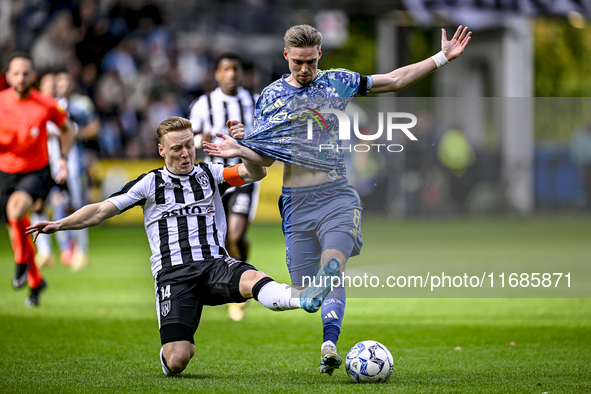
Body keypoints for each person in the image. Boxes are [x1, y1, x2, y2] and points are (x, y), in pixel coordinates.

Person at [204, 24, 472, 376]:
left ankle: (329, 345)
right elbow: (265, 161)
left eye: (311, 62)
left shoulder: (337, 81)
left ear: (320, 56)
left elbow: (392, 80)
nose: (304, 69)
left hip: (336, 195)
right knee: (303, 292)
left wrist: (441, 57)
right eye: (298, 62)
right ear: (286, 56)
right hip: (295, 202)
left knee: (333, 268)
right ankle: (314, 306)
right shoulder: (269, 98)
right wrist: (243, 147)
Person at [26, 116, 341, 376]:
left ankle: (305, 297)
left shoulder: (209, 173)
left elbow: (254, 172)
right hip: (174, 276)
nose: (185, 153)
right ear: (162, 150)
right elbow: (99, 210)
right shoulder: (149, 184)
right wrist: (59, 224)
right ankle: (172, 350)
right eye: (177, 148)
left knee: (252, 279)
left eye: (189, 145)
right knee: (179, 359)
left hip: (214, 264)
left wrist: (242, 148)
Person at [189, 52, 260, 321]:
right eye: (226, 69)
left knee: (235, 235)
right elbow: (188, 139)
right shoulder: (203, 104)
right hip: (214, 177)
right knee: (220, 238)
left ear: (242, 74)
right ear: (217, 74)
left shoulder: (254, 102)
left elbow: (264, 137)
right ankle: (235, 282)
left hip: (243, 174)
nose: (231, 74)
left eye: (236, 69)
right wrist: (199, 140)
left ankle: (241, 282)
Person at [0, 52, 74, 307]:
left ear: (33, 76)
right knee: (16, 230)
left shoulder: (46, 104)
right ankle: (35, 281)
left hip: (36, 171)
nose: (21, 78)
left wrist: (63, 157)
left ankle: (21, 262)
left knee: (16, 210)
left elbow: (67, 129)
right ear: (8, 76)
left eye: (25, 73)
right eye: (16, 73)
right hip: (4, 174)